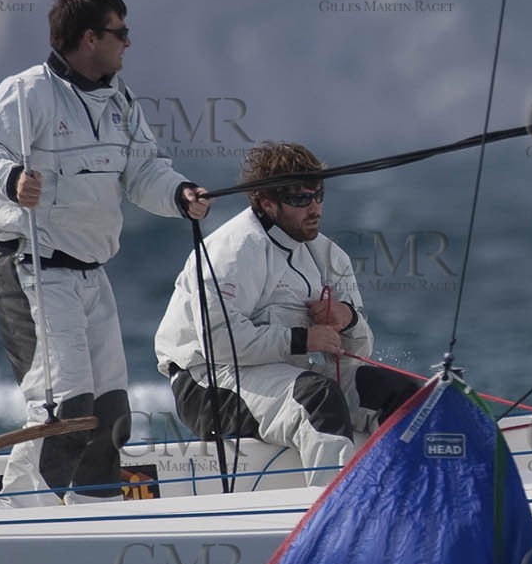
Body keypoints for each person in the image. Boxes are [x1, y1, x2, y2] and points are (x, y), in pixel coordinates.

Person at [0, 0, 211, 501]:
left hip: (91, 273)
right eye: (121, 32)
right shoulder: (25, 92)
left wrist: (180, 193)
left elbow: (144, 173)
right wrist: (11, 179)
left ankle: (96, 508)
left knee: (112, 410)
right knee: (65, 409)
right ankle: (24, 509)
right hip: (33, 268)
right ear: (90, 38)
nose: (129, 43)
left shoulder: (120, 98)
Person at [154, 141, 420, 477]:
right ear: (267, 203)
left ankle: (405, 495)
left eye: (319, 195)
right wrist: (303, 339)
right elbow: (219, 343)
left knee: (401, 393)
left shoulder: (330, 257)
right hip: (208, 383)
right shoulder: (233, 251)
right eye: (300, 199)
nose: (315, 208)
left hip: (286, 373)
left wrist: (348, 319)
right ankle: (328, 517)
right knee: (318, 398)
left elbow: (355, 355)